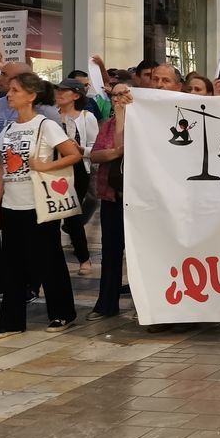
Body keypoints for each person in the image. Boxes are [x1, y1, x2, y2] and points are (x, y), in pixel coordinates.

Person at [0, 72, 82, 338]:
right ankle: (11, 321)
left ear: (31, 95)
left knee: (48, 259)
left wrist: (46, 165)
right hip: (11, 204)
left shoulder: (45, 125)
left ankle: (63, 312)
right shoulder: (8, 128)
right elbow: (0, 171)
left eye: (15, 90)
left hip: (39, 203)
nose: (9, 94)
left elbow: (73, 154)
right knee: (12, 264)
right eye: (10, 90)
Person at [88, 84, 127, 320]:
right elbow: (95, 154)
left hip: (141, 201)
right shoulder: (108, 125)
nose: (118, 99)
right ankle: (106, 303)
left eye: (123, 94)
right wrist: (116, 152)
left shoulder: (148, 122)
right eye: (115, 95)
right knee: (111, 252)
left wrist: (115, 150)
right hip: (113, 196)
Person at [55, 78, 99, 275]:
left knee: (72, 212)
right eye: (58, 90)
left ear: (76, 95)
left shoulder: (86, 117)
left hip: (78, 168)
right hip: (54, 167)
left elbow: (95, 146)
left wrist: (82, 150)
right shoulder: (51, 116)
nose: (59, 94)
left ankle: (84, 258)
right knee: (52, 214)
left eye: (64, 91)